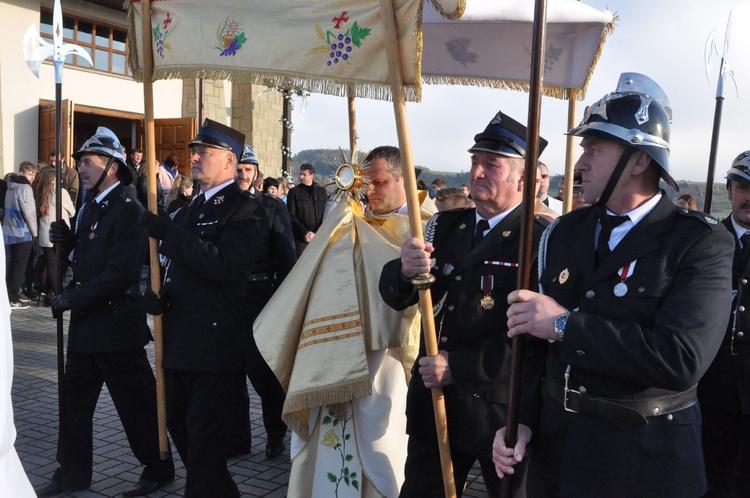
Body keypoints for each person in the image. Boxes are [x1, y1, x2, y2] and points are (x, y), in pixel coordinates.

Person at [493, 73, 734, 498]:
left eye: (594, 149)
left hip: (645, 463)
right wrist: (522, 419)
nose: (580, 163)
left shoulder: (699, 241)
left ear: (639, 161)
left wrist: (568, 326)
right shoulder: (563, 232)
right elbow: (532, 343)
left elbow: (681, 359)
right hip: (559, 455)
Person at [379, 112, 549, 496]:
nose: (476, 172)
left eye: (492, 164)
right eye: (474, 161)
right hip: (436, 406)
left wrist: (458, 366)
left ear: (524, 178)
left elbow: (537, 342)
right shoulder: (444, 226)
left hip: (499, 411)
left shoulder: (541, 241)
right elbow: (397, 296)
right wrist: (404, 271)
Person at [255, 145, 437, 497]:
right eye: (366, 183)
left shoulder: (426, 228)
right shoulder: (354, 219)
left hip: (389, 358)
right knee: (334, 446)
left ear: (404, 179)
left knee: (382, 442)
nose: (370, 190)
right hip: (337, 352)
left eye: (380, 182)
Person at [35, 127, 175, 497]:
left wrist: (73, 300)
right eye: (80, 161)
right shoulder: (89, 206)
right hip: (87, 328)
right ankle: (71, 473)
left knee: (137, 405)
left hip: (116, 325)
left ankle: (158, 467)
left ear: (112, 167)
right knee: (73, 405)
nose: (80, 167)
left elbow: (119, 274)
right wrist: (68, 243)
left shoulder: (129, 210)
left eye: (88, 162)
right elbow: (86, 260)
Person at [140, 119, 266, 497]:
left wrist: (168, 234)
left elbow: (225, 266)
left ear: (230, 160)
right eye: (194, 152)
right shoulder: (188, 209)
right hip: (178, 340)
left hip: (214, 346)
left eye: (204, 152)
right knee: (180, 428)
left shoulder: (244, 210)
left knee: (206, 442)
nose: (193, 157)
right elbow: (174, 264)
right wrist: (157, 291)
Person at [232, 144, 296, 459]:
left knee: (263, 375)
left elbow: (287, 260)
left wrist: (284, 307)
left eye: (248, 169)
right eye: (238, 168)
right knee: (229, 373)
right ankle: (237, 438)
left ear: (256, 173)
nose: (242, 174)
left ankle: (275, 432)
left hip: (263, 300)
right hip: (228, 302)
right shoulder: (220, 206)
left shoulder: (272, 207)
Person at [697, 151, 750, 497]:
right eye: (743, 186)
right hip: (708, 388)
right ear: (729, 190)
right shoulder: (702, 242)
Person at [33, 167, 75, 305]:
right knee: (55, 265)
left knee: (46, 263)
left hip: (45, 232)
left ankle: (42, 294)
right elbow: (72, 211)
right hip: (57, 232)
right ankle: (57, 293)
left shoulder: (40, 191)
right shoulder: (60, 192)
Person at [3, 161, 38, 309]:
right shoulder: (25, 188)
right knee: (19, 267)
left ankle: (7, 295)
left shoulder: (10, 186)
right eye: (30, 174)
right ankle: (13, 298)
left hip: (8, 231)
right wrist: (35, 232)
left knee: (10, 265)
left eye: (34, 175)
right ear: (22, 173)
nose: (33, 178)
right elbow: (29, 212)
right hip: (22, 233)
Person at [287, 163, 327, 255]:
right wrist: (305, 233)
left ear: (312, 175)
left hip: (318, 237)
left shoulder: (322, 192)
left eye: (304, 174)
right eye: (300, 174)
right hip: (301, 239)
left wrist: (316, 233)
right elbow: (291, 215)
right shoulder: (294, 192)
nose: (301, 177)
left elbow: (325, 215)